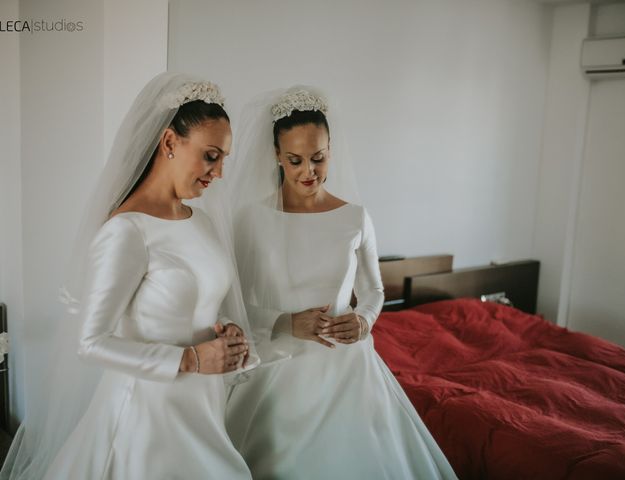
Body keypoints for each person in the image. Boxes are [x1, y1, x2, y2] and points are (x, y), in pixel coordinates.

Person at [1, 72, 258, 480]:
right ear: (170, 142)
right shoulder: (126, 231)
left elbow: (201, 303)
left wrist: (224, 330)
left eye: (225, 158)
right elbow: (91, 342)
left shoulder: (202, 222)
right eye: (211, 156)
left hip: (202, 404)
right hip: (147, 415)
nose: (220, 172)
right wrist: (191, 359)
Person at [224, 87, 458, 480]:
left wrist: (364, 320)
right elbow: (234, 303)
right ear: (276, 156)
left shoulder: (355, 218)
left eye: (318, 158)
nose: (308, 172)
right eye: (295, 160)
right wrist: (285, 321)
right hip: (278, 366)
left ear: (331, 149)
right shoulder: (251, 219)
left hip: (346, 364)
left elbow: (374, 291)